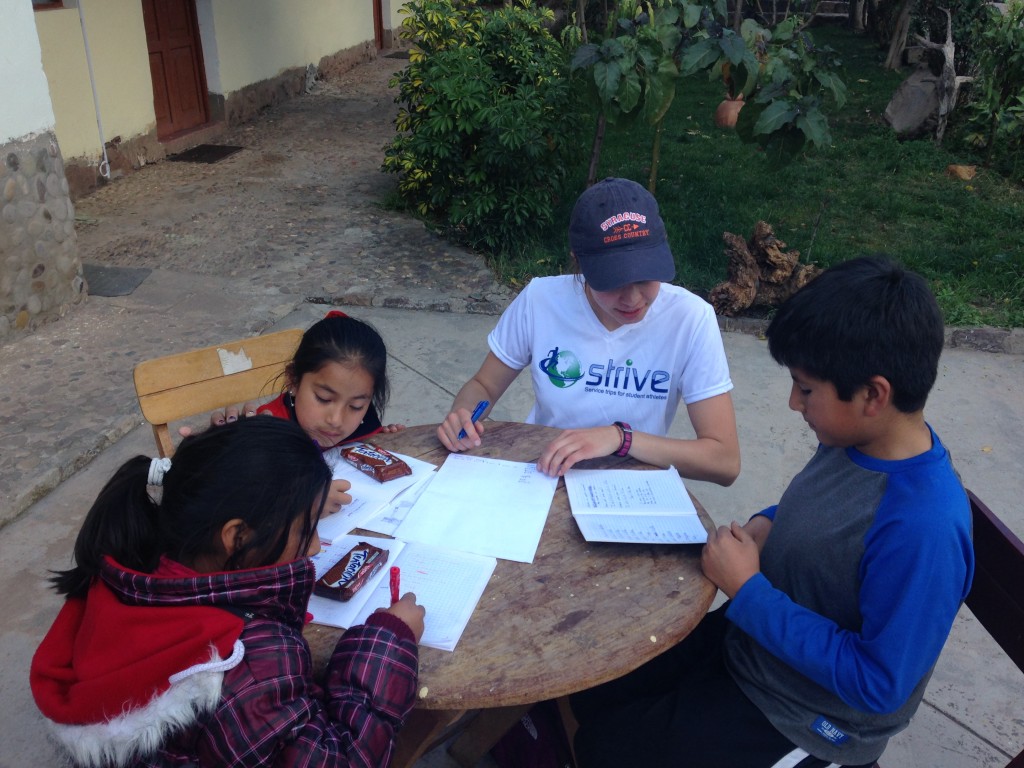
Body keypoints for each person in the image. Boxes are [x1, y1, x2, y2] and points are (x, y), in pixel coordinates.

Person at [569, 255, 975, 768]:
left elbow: (879, 683)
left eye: (806, 389)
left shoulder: (925, 528)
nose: (792, 403)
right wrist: (769, 521)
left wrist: (749, 591)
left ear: (873, 395)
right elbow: (820, 508)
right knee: (591, 685)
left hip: (806, 717)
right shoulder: (854, 439)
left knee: (605, 749)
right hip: (755, 645)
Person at [30, 417, 425, 768]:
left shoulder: (129, 559)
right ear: (238, 536)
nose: (317, 546)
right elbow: (341, 758)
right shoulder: (248, 664)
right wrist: (387, 643)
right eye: (306, 527)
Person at [437, 177, 740, 485]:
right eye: (613, 281)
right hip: (543, 474)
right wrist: (463, 414)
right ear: (578, 264)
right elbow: (484, 385)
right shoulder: (541, 300)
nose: (633, 298)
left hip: (632, 486)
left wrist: (621, 439)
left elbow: (724, 461)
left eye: (648, 277)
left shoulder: (690, 318)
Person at [205, 310, 406, 514]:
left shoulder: (362, 422)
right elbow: (238, 502)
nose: (336, 420)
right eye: (323, 398)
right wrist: (300, 503)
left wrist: (379, 441)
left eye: (356, 406)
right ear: (293, 380)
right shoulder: (265, 431)